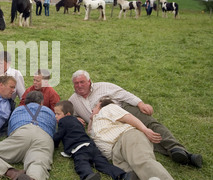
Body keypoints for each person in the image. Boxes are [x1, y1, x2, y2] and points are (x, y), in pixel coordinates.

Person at [68, 70, 202, 168]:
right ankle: (176, 154)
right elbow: (67, 113)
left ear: (89, 81)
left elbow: (123, 94)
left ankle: (178, 149)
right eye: (76, 84)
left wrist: (140, 104)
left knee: (150, 124)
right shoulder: (73, 100)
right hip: (109, 124)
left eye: (82, 82)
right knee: (139, 137)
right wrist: (76, 119)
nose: (79, 86)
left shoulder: (103, 86)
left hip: (122, 109)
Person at [90, 97, 194, 180]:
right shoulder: (94, 123)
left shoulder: (108, 108)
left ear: (101, 106)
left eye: (94, 107)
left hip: (127, 137)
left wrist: (145, 130)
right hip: (115, 154)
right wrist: (90, 120)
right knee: (134, 177)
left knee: (141, 161)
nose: (92, 110)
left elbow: (128, 117)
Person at [53, 100, 136, 180]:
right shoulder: (78, 122)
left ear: (67, 114)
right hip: (91, 146)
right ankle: (123, 175)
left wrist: (54, 144)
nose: (56, 116)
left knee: (81, 163)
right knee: (102, 163)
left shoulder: (63, 121)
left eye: (58, 114)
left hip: (79, 148)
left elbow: (58, 135)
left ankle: (88, 175)